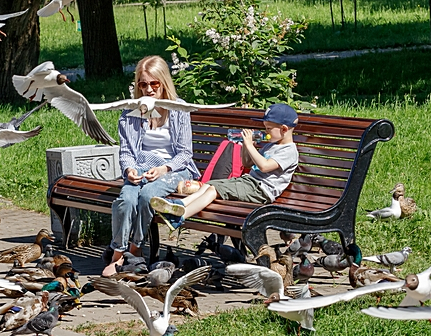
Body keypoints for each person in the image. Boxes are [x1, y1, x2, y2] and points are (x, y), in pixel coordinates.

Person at [103, 55, 198, 277]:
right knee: (126, 198)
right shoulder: (131, 112)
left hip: (174, 169)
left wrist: (165, 169)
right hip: (141, 165)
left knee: (148, 196)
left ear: (164, 82)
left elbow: (185, 153)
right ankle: (118, 253)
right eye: (143, 84)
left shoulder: (178, 108)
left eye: (154, 84)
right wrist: (129, 169)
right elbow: (126, 151)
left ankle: (136, 248)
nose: (149, 89)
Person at [150, 103, 300, 222]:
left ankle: (180, 217)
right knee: (210, 184)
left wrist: (249, 145)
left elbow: (265, 166)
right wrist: (246, 147)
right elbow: (248, 163)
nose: (265, 132)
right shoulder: (271, 144)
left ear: (284, 129)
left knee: (214, 189)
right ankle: (180, 206)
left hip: (261, 191)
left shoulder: (289, 151)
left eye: (268, 129)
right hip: (249, 183)